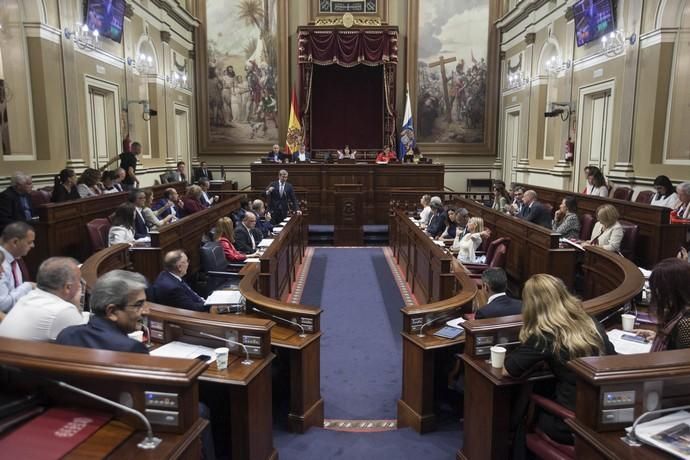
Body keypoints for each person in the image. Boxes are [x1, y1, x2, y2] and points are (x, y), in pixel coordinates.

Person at [56, 269, 216, 460]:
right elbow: (153, 398)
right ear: (112, 312)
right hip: (124, 423)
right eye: (138, 305)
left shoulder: (67, 334)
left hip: (81, 415)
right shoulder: (130, 348)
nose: (145, 311)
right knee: (200, 409)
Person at [503, 274, 615, 445]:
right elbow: (611, 356)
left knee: (522, 413)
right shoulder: (589, 321)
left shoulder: (546, 334)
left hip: (570, 423)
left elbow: (509, 369)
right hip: (605, 413)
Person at [0, 257, 84, 341]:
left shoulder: (27, 297)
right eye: (79, 281)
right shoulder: (64, 310)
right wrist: (76, 305)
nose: (80, 285)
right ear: (68, 288)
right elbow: (83, 341)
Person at [645, 258, 690, 350]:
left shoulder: (686, 323)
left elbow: (683, 359)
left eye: (660, 287)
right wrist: (659, 337)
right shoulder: (678, 309)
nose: (656, 292)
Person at [0, 222, 35, 312]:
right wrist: (28, 286)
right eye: (29, 242)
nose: (32, 246)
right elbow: (3, 306)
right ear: (15, 242)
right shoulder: (1, 264)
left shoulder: (15, 257)